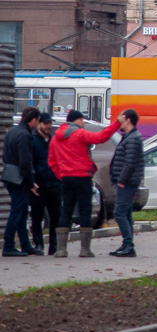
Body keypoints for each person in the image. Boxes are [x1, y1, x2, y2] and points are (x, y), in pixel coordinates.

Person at [48, 110, 121, 258]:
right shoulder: (80, 134)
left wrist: (61, 175)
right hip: (83, 177)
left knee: (66, 211)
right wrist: (117, 123)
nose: (83, 123)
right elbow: (101, 137)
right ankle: (85, 249)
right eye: (82, 120)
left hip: (66, 179)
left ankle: (61, 249)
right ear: (77, 120)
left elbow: (52, 161)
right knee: (85, 211)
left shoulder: (56, 138)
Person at [3, 107, 40, 257]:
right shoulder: (25, 135)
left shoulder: (12, 131)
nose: (37, 125)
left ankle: (25, 245)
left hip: (10, 176)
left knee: (23, 212)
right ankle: (9, 245)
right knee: (17, 213)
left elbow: (5, 156)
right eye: (37, 121)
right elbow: (25, 162)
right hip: (20, 179)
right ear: (33, 120)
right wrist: (31, 183)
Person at [108, 109, 143, 258]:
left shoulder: (133, 138)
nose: (117, 120)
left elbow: (130, 162)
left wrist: (122, 180)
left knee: (119, 213)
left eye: (120, 117)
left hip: (127, 183)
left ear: (127, 120)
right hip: (126, 182)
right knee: (126, 213)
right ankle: (127, 244)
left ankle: (129, 245)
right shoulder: (129, 136)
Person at [29, 113, 61, 256]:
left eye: (50, 124)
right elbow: (30, 162)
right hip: (39, 185)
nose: (49, 127)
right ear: (39, 124)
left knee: (56, 216)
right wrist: (32, 181)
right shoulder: (33, 141)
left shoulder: (54, 140)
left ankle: (53, 246)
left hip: (54, 184)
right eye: (46, 123)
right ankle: (39, 244)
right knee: (37, 216)